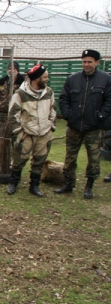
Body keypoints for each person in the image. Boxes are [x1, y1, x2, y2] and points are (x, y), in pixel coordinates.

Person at [54, 49, 111, 199]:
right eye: (84, 61)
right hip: (74, 126)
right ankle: (68, 183)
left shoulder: (105, 79)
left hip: (94, 127)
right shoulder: (73, 79)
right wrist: (67, 114)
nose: (86, 64)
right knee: (70, 157)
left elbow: (109, 101)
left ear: (97, 62)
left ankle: (89, 186)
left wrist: (101, 115)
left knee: (94, 158)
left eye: (89, 62)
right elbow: (63, 98)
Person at [6, 64, 56, 197]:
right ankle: (13, 184)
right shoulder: (20, 94)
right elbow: (12, 115)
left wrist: (50, 126)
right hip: (26, 134)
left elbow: (53, 110)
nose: (47, 79)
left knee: (39, 160)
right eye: (45, 77)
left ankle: (34, 186)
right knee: (19, 159)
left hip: (44, 133)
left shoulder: (49, 92)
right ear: (36, 79)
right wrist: (19, 132)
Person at [0, 61, 24, 137]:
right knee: (2, 135)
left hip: (16, 113)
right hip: (3, 112)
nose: (10, 70)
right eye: (9, 68)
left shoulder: (22, 83)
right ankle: (3, 149)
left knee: (15, 135)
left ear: (17, 70)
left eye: (13, 68)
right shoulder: (2, 81)